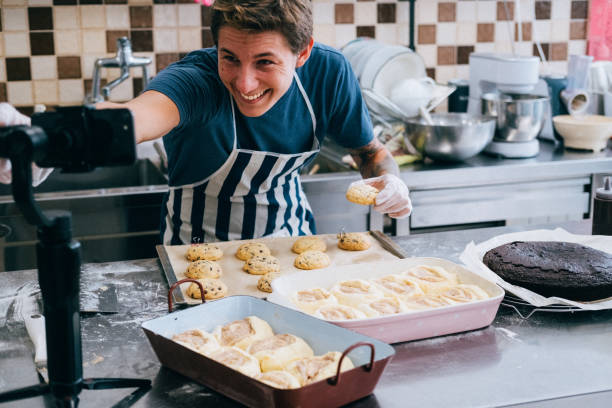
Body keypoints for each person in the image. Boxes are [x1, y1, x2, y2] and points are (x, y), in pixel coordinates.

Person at [0, 0, 411, 245]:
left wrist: (389, 179)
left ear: (302, 55)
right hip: (193, 257)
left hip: (292, 250)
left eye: (264, 62)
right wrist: (38, 136)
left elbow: (370, 152)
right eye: (230, 57)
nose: (243, 82)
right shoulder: (198, 79)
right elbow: (134, 117)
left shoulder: (329, 73)